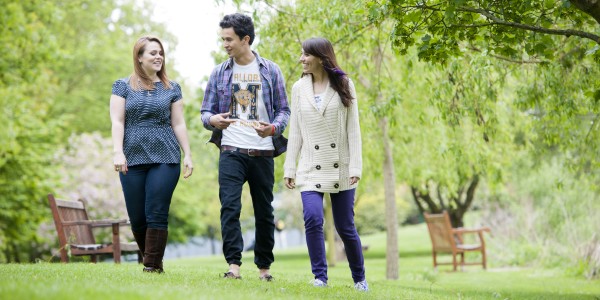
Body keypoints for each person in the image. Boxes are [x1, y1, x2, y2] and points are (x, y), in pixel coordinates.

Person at [201, 13, 290, 281]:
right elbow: (206, 112)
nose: (225, 44)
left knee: (265, 211)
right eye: (223, 39)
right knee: (229, 207)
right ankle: (233, 266)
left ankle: (264, 268)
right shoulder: (219, 72)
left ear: (245, 39)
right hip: (231, 150)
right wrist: (213, 121)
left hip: (262, 151)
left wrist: (273, 129)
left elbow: (284, 111)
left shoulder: (271, 70)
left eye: (229, 39)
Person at [283, 37, 369, 291]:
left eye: (305, 55)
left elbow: (354, 131)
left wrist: (355, 167)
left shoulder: (344, 84)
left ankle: (359, 279)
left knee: (345, 227)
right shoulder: (299, 88)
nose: (301, 59)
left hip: (340, 165)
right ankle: (320, 276)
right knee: (312, 218)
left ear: (321, 57)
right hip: (310, 166)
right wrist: (290, 167)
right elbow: (295, 130)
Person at [109, 35, 193, 273]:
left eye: (160, 53)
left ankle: (151, 267)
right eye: (152, 53)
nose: (158, 57)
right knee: (137, 217)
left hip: (165, 157)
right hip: (131, 157)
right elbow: (117, 121)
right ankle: (154, 261)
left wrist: (187, 154)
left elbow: (178, 124)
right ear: (139, 57)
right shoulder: (122, 86)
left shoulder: (172, 88)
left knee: (156, 211)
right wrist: (117, 152)